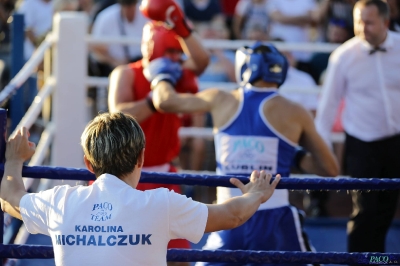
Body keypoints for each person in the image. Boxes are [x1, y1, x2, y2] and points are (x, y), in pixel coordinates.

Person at [0, 112, 280, 266]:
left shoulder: (60, 202)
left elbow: (9, 198)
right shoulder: (161, 204)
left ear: (88, 163)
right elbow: (232, 216)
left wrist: (14, 160)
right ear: (141, 159)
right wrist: (256, 192)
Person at [146, 42, 339, 265]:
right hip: (274, 218)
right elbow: (330, 169)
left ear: (244, 67)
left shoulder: (222, 99)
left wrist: (162, 75)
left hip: (228, 214)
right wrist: (292, 156)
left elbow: (165, 102)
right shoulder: (294, 111)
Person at [107, 0, 209, 259]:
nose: (177, 60)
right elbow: (118, 116)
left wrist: (182, 28)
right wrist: (157, 98)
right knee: (122, 256)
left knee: (179, 256)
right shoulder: (126, 74)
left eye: (178, 54)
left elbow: (201, 61)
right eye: (172, 53)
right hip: (123, 179)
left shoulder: (176, 73)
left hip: (164, 177)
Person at [315, 0, 400, 254]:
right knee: (364, 210)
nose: (363, 28)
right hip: (361, 142)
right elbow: (327, 108)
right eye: (358, 21)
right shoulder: (343, 56)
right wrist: (324, 152)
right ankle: (358, 262)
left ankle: (379, 260)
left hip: (396, 140)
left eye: (369, 22)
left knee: (387, 208)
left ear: (385, 22)